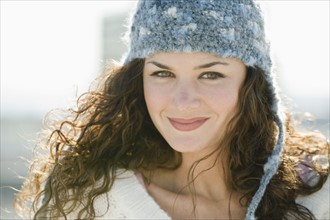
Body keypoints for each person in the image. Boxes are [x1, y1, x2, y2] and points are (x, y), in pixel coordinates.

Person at [15, 0, 329, 219]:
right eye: (162, 73)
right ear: (137, 80)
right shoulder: (89, 203)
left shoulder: (317, 198)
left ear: (251, 84)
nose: (182, 101)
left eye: (211, 74)